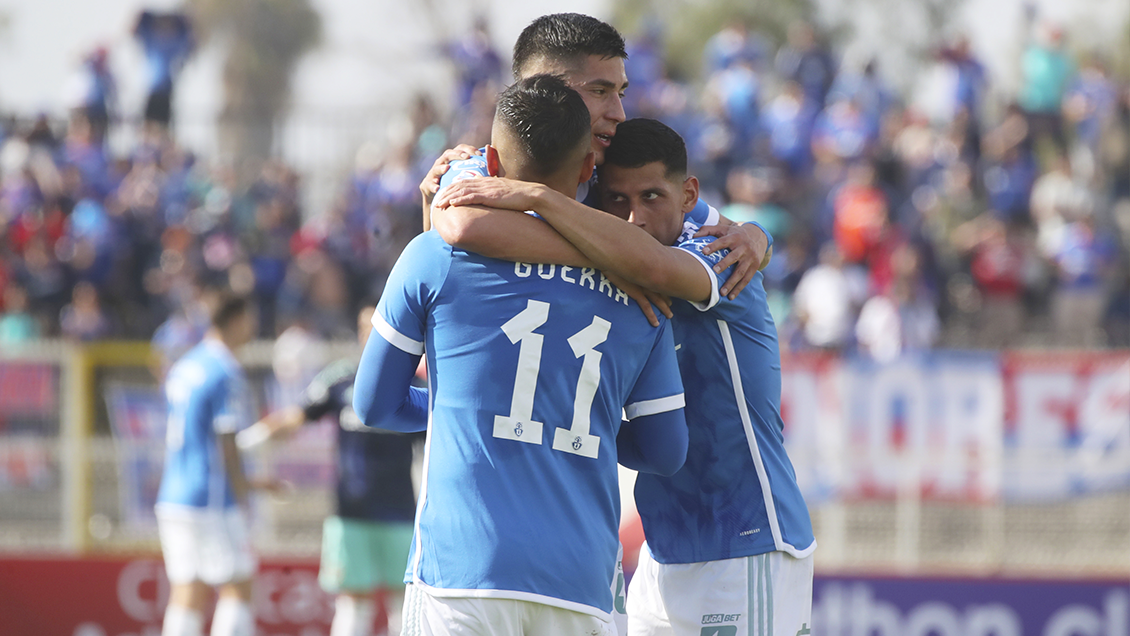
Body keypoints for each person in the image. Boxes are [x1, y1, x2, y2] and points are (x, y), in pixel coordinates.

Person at [433, 118, 816, 636]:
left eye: (652, 197)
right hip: (662, 550)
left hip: (746, 542)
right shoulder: (607, 251)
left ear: (688, 196)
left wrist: (537, 198)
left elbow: (654, 268)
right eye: (616, 199)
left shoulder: (718, 253)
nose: (634, 217)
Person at [352, 75, 688, 634]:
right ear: (588, 170)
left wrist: (458, 406)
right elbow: (665, 448)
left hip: (461, 576)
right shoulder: (639, 286)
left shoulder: (435, 253)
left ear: (488, 161)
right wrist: (582, 424)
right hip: (582, 584)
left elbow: (373, 406)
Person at [420, 13, 771, 301]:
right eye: (600, 91)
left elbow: (737, 235)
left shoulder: (616, 175)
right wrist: (617, 262)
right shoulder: (476, 165)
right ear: (543, 92)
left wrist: (757, 236)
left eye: (620, 92)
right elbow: (462, 225)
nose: (619, 112)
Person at [239, 307, 420, 636]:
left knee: (404, 605)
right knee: (354, 604)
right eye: (367, 327)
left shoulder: (416, 384)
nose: (373, 335)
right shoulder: (340, 378)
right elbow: (297, 416)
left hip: (400, 511)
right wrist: (247, 441)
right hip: (352, 512)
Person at [155, 293, 271, 636]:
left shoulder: (185, 365)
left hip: (174, 492)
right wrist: (245, 490)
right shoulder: (225, 370)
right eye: (249, 319)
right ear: (235, 321)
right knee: (238, 582)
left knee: (187, 589)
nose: (253, 327)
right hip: (211, 495)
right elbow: (226, 440)